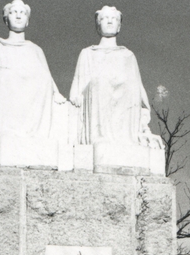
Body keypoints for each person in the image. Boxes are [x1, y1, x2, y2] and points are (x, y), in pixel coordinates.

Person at [69, 6, 164, 149]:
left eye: (113, 19)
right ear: (98, 25)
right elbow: (77, 84)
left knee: (130, 86)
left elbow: (138, 88)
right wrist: (75, 95)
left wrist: (144, 125)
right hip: (96, 96)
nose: (109, 21)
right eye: (105, 18)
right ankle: (100, 137)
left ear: (119, 26)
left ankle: (128, 138)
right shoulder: (88, 53)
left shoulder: (128, 56)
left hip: (124, 106)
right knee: (101, 81)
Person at [0, 0, 65, 143]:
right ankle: (7, 132)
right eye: (13, 12)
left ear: (27, 21)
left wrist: (56, 93)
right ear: (6, 19)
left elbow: (48, 78)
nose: (18, 16)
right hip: (7, 89)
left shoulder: (35, 49)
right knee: (5, 76)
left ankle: (38, 135)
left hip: (33, 94)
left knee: (43, 80)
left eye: (22, 13)